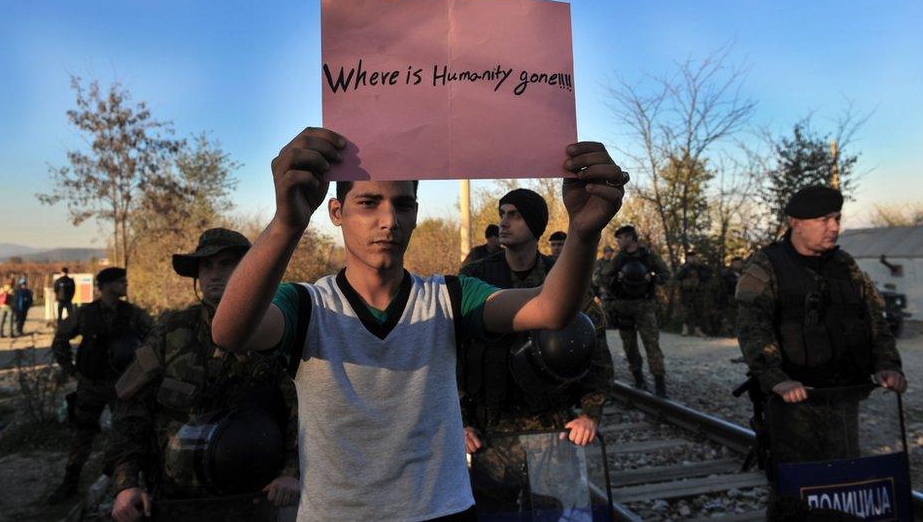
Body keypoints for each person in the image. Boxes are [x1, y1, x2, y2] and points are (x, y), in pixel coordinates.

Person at [211, 127, 627, 521]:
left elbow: (551, 310)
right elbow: (230, 331)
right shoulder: (306, 304)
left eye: (403, 204)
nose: (389, 219)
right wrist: (287, 223)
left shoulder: (448, 297)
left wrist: (584, 232)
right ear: (336, 212)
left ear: (415, 213)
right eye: (369, 202)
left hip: (443, 511)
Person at [108, 228, 299, 521]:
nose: (214, 274)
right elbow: (131, 406)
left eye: (226, 264)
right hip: (175, 500)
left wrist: (291, 472)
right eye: (206, 266)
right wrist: (126, 483)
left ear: (249, 269)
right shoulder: (171, 331)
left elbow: (303, 410)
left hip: (253, 499)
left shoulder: (274, 329)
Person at [459, 189, 612, 512]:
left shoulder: (562, 278)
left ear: (536, 225)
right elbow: (452, 352)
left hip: (552, 429)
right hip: (490, 433)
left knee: (556, 510)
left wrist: (588, 414)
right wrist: (460, 422)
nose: (503, 221)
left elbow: (594, 346)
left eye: (514, 215)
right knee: (495, 513)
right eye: (502, 213)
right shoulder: (476, 277)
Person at [736, 185, 906, 467]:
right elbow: (752, 328)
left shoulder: (845, 265)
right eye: (824, 220)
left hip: (844, 395)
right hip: (793, 400)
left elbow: (875, 318)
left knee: (846, 476)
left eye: (837, 219)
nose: (834, 227)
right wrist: (776, 379)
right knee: (798, 488)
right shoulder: (767, 266)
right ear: (796, 223)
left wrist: (888, 364)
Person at [48, 267, 154, 504]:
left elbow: (155, 339)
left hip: (123, 386)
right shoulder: (85, 314)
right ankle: (70, 481)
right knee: (82, 432)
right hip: (91, 384)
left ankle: (129, 484)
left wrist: (142, 374)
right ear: (106, 286)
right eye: (121, 281)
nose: (126, 284)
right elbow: (60, 339)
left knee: (130, 432)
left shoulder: (133, 314)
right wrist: (71, 370)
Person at [602, 225, 671, 396]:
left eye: (621, 238)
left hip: (645, 306)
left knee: (652, 345)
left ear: (630, 238)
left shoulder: (648, 256)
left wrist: (652, 277)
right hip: (623, 307)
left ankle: (659, 386)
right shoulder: (619, 258)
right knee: (629, 346)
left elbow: (666, 275)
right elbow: (602, 277)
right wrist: (615, 279)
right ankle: (638, 379)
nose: (618, 241)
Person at [676, 251, 711, 337]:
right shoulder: (683, 268)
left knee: (698, 310)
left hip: (698, 292)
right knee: (686, 311)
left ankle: (697, 330)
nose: (692, 259)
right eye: (690, 257)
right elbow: (677, 277)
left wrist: (701, 267)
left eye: (694, 257)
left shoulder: (700, 267)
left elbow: (706, 276)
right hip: (686, 292)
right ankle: (685, 329)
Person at [719, 257, 744, 336]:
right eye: (736, 263)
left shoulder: (744, 273)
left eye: (739, 263)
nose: (738, 265)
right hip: (730, 296)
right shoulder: (727, 273)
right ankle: (730, 331)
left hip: (741, 296)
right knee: (730, 315)